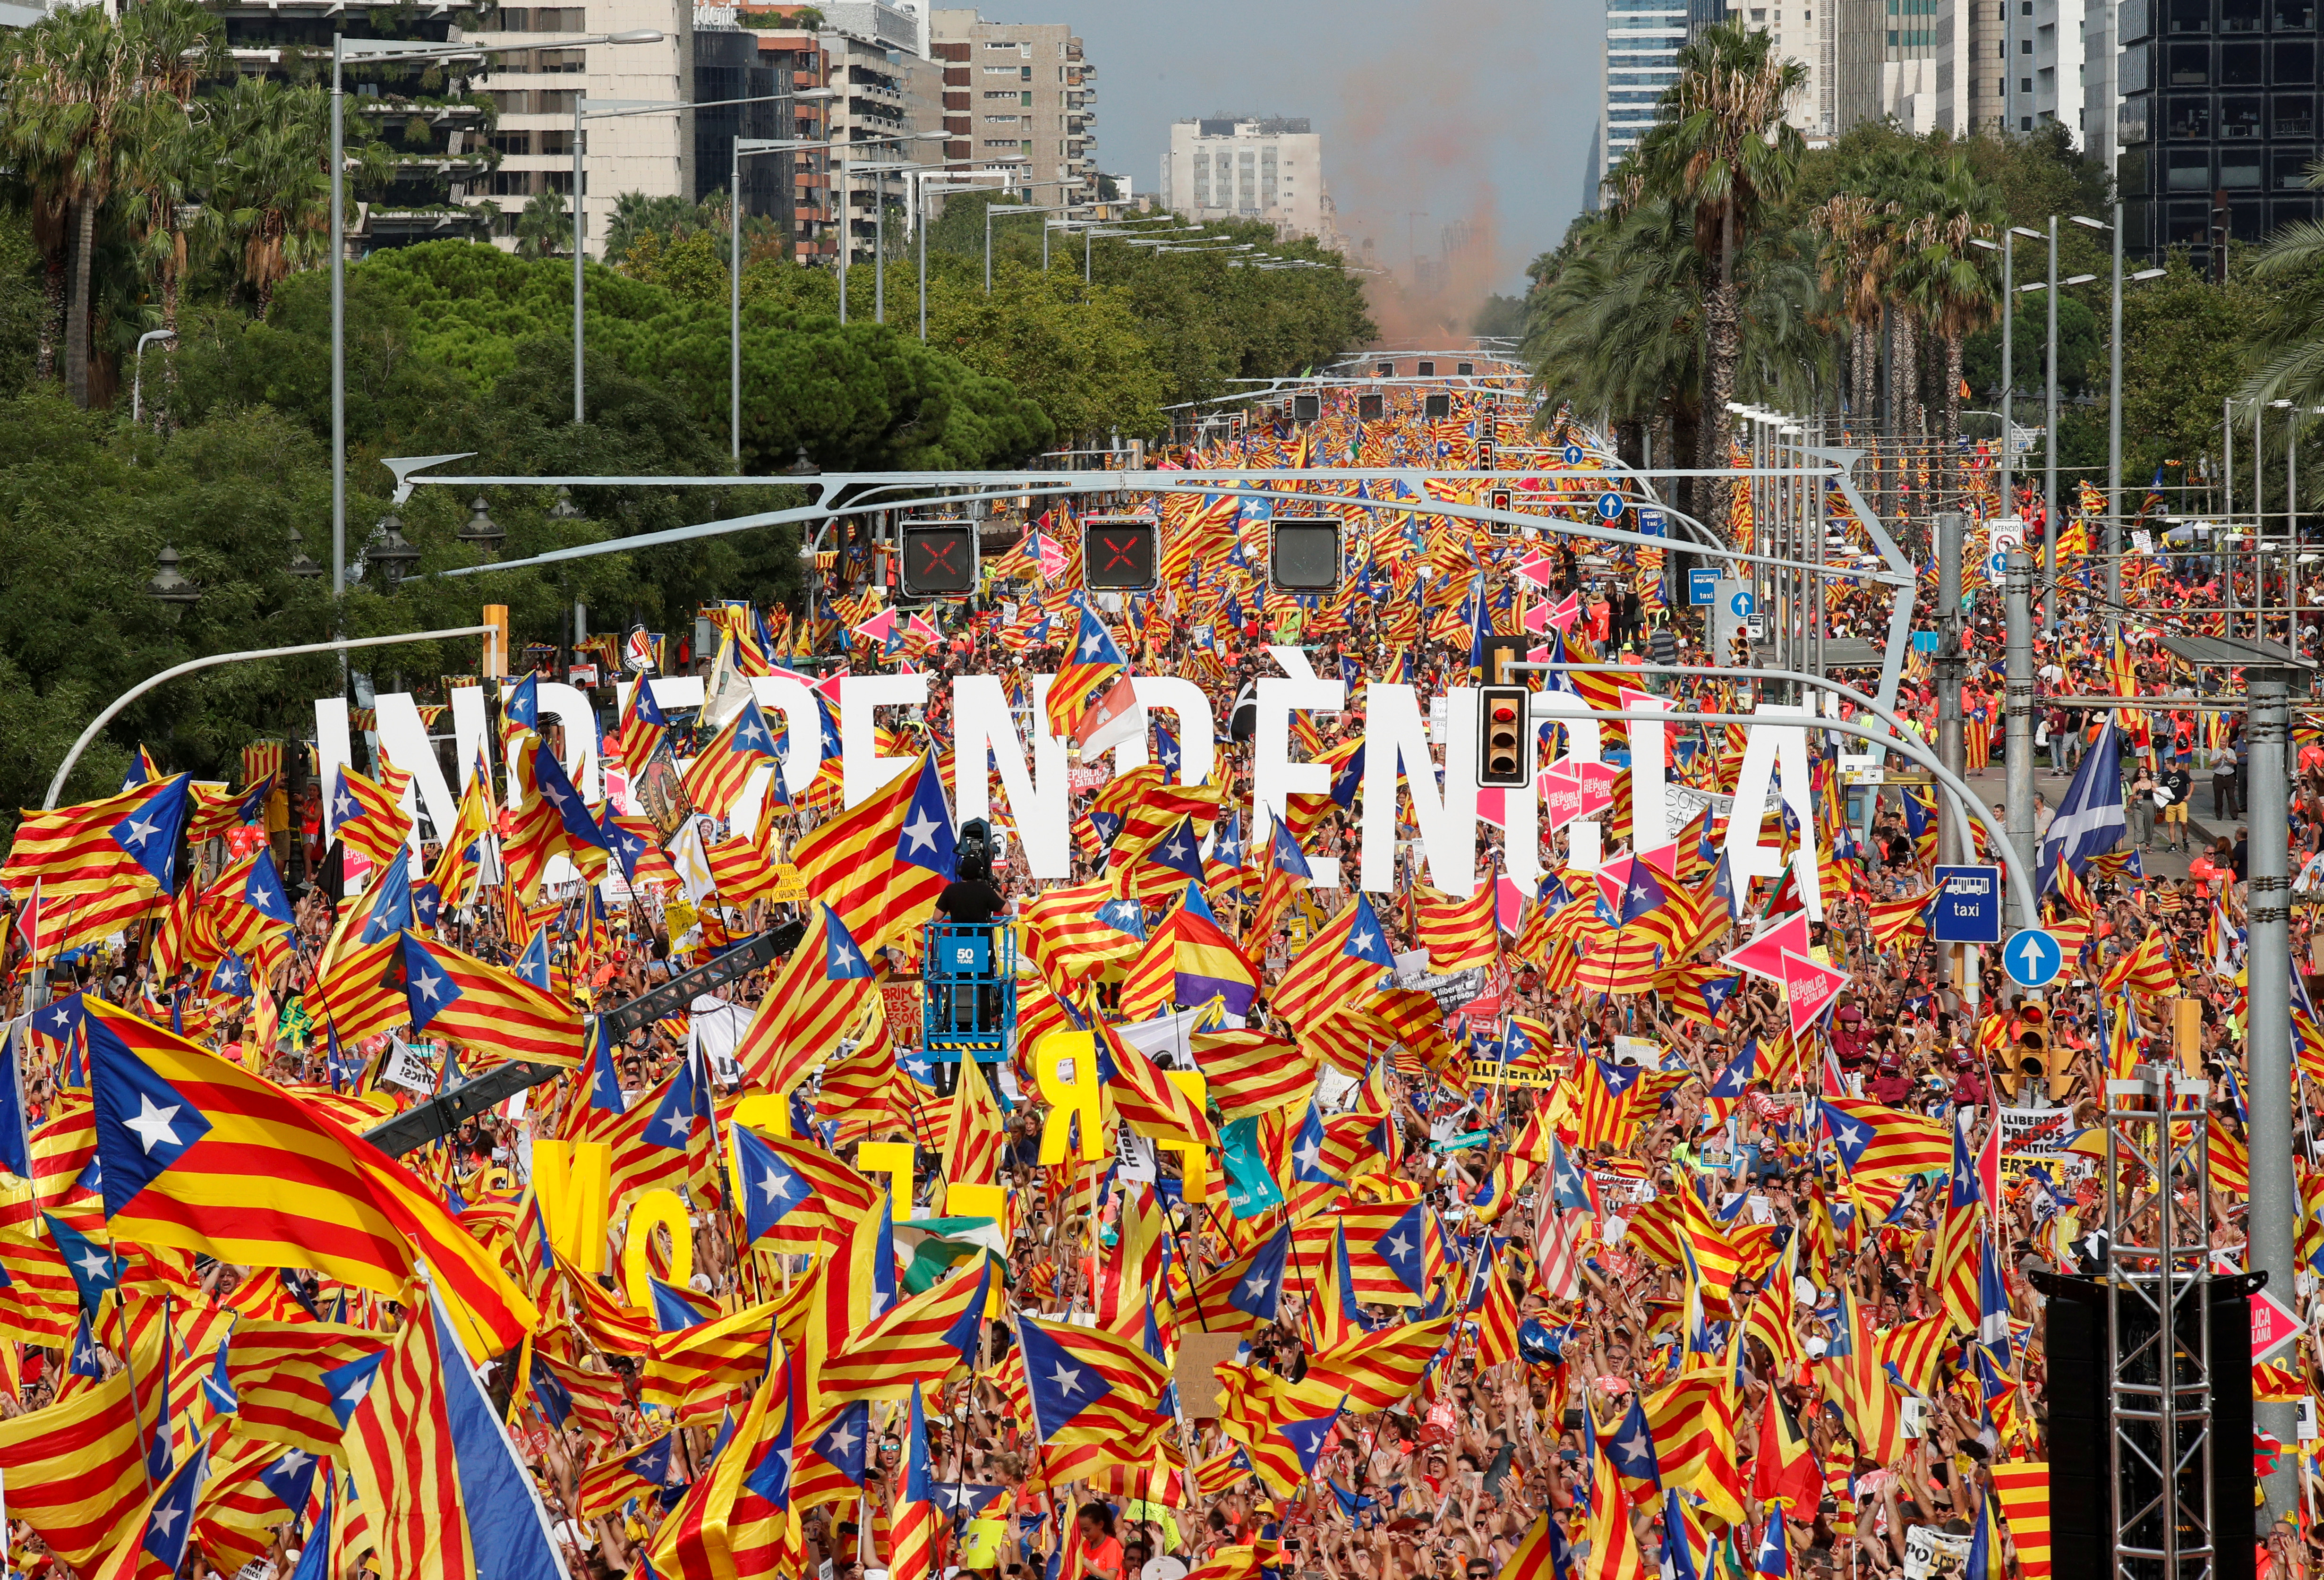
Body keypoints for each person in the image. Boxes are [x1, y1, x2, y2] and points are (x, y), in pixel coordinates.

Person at [1071, 1504, 1126, 1580]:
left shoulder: (1112, 1545)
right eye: (1081, 1530)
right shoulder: (1085, 1545)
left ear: (1100, 1525)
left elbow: (1110, 1578)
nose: (1084, 1534)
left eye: (1087, 1530)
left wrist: (1087, 1563)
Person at [2161, 760, 2193, 852]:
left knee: (2184, 823)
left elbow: (2191, 784)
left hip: (2181, 802)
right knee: (2171, 824)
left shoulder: (2182, 774)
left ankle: (2185, 839)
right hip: (2170, 803)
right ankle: (2173, 844)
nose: (2165, 765)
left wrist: (2189, 795)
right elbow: (2163, 789)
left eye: (2165, 763)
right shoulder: (2166, 775)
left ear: (2170, 764)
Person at [2127, 756, 2158, 851]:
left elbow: (2161, 794)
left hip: (2150, 806)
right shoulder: (2136, 785)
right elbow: (2131, 797)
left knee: (2149, 826)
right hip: (2139, 807)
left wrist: (2156, 792)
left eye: (2145, 771)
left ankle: (2148, 846)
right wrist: (2136, 797)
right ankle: (2137, 847)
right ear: (2139, 775)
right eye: (2141, 772)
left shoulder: (2152, 783)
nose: (2144, 773)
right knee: (2139, 826)